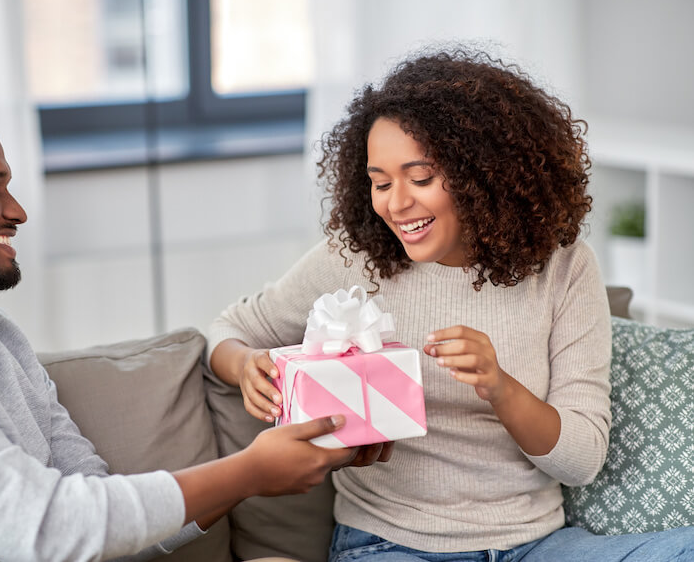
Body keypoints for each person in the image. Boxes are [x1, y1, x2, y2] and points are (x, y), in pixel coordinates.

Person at [0, 102, 388, 562]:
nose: (18, 211)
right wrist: (249, 472)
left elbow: (100, 516)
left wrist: (265, 467)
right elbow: (46, 530)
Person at [207, 48, 694, 561]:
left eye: (420, 178)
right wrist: (244, 365)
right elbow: (228, 329)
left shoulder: (564, 268)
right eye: (380, 183)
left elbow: (582, 460)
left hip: (536, 545)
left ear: (483, 174)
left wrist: (499, 387)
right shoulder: (355, 259)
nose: (396, 203)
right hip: (392, 545)